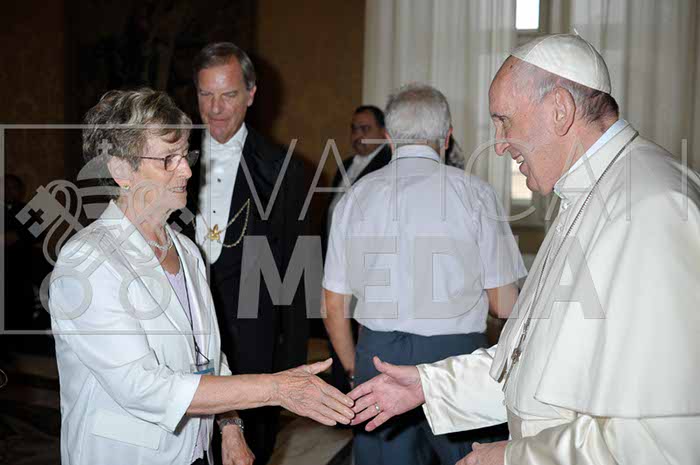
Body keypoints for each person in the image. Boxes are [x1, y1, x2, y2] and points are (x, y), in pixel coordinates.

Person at [347, 34, 700, 465]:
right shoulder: (590, 192)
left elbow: (663, 443)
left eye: (504, 121)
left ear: (559, 110)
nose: (499, 144)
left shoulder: (653, 208)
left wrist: (512, 458)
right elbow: (533, 360)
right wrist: (429, 385)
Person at [49, 88, 354, 465]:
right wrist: (276, 389)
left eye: (186, 155)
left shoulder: (187, 250)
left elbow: (208, 357)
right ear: (121, 170)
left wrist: (230, 427)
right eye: (168, 159)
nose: (188, 170)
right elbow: (142, 387)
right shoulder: (89, 260)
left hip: (195, 452)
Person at [323, 84, 526, 465]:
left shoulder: (355, 197)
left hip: (377, 358)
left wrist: (354, 368)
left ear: (388, 137)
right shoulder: (476, 194)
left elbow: (333, 306)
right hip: (458, 361)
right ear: (447, 137)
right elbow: (503, 304)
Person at [189, 42, 310, 465]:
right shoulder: (170, 158)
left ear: (252, 94)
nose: (216, 108)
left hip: (253, 341)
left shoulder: (285, 169)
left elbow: (295, 273)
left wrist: (291, 367)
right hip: (182, 334)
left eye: (228, 95)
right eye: (206, 94)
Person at [323, 105, 392, 393]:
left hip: (369, 268)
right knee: (337, 327)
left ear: (383, 132)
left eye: (365, 129)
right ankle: (343, 392)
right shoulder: (346, 164)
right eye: (354, 128)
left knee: (361, 334)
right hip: (338, 263)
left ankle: (360, 387)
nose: (358, 135)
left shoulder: (388, 166)